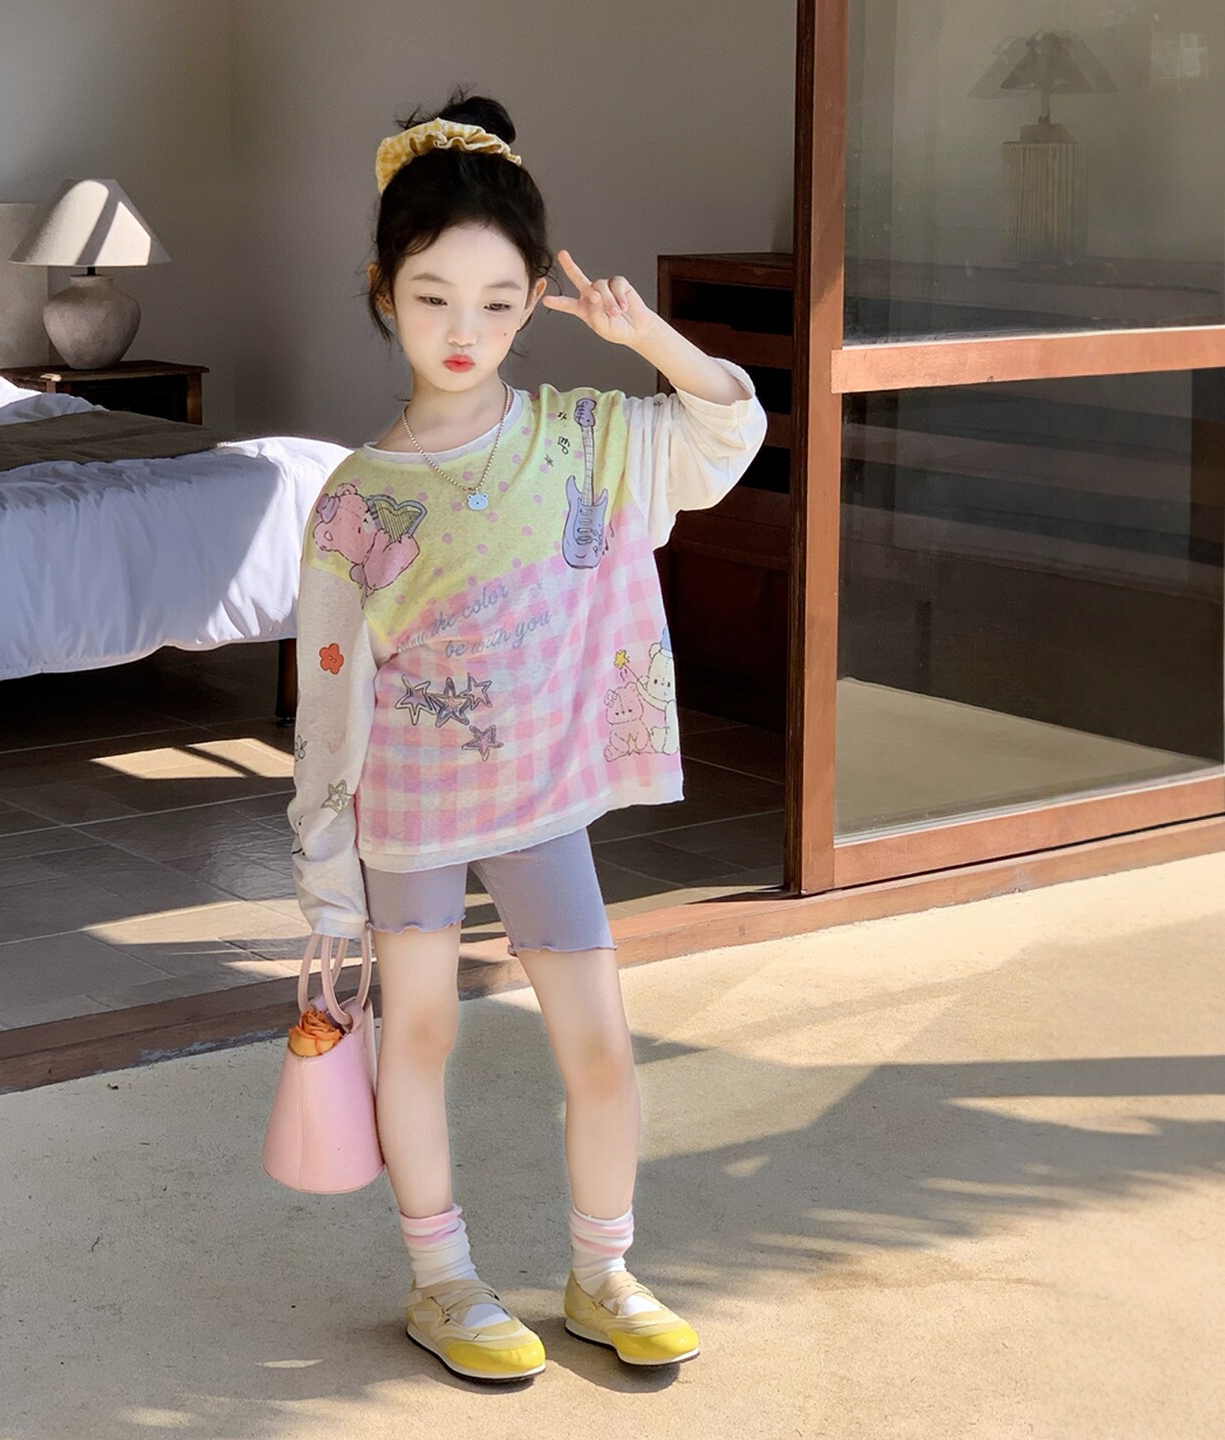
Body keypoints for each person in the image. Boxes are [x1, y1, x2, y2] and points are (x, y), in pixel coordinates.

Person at [286, 87, 767, 1383]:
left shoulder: (583, 440)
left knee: (601, 1046)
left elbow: (730, 426)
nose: (466, 330)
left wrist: (643, 334)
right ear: (383, 293)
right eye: (434, 296)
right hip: (410, 811)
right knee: (421, 1039)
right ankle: (443, 1282)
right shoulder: (355, 500)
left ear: (533, 304)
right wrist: (324, 872)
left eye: (500, 302)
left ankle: (602, 1273)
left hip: (544, 802)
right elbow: (328, 704)